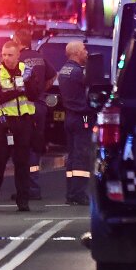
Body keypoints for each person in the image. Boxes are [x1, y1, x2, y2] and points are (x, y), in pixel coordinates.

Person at [0, 40, 40, 212]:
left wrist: (27, 83)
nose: (6, 58)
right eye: (4, 55)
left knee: (22, 164)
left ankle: (23, 201)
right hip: (4, 124)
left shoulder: (27, 71)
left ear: (18, 55)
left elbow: (34, 95)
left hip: (23, 123)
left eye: (10, 55)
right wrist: (18, 90)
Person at [14, 28, 57, 200]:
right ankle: (33, 188)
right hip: (40, 106)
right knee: (35, 147)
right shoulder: (40, 57)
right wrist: (41, 90)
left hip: (25, 108)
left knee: (22, 147)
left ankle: (26, 189)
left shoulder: (19, 60)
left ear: (18, 41)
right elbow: (53, 76)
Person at [59, 40, 91, 205]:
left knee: (72, 155)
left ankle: (70, 193)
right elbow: (89, 91)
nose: (86, 52)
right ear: (77, 52)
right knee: (81, 155)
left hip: (69, 116)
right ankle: (78, 194)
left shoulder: (64, 70)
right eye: (84, 49)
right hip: (82, 117)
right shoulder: (79, 72)